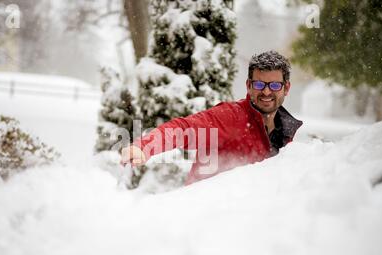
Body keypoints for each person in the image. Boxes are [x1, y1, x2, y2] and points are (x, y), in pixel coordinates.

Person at [121, 50, 303, 185]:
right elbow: (183, 129)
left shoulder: (287, 132)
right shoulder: (230, 117)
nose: (266, 91)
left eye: (275, 86)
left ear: (286, 88)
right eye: (259, 84)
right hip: (205, 219)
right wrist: (143, 147)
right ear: (248, 85)